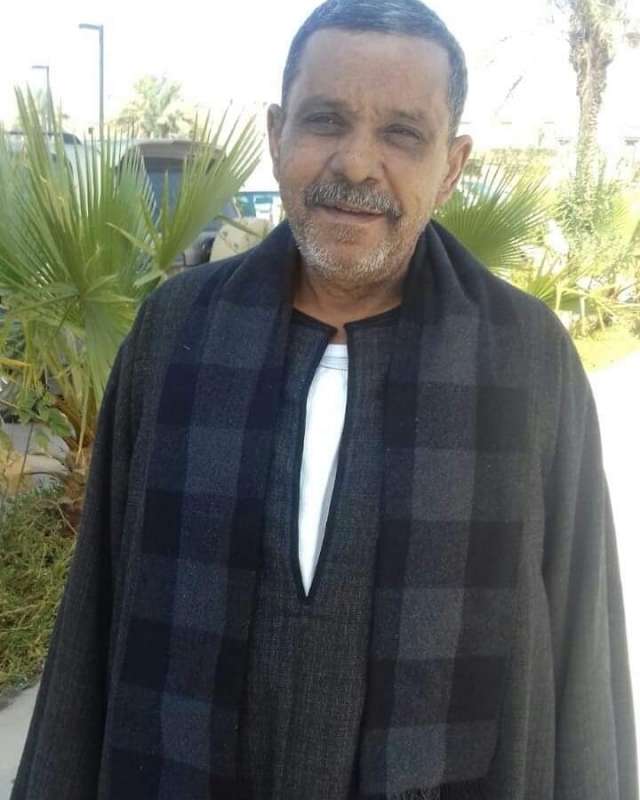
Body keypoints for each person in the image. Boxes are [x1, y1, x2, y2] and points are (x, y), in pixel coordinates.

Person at [12, 1, 638, 798]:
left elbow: (583, 641)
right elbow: (97, 610)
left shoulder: (524, 357)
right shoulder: (178, 334)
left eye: (402, 134)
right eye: (325, 120)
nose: (356, 163)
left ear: (451, 165)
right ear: (278, 135)